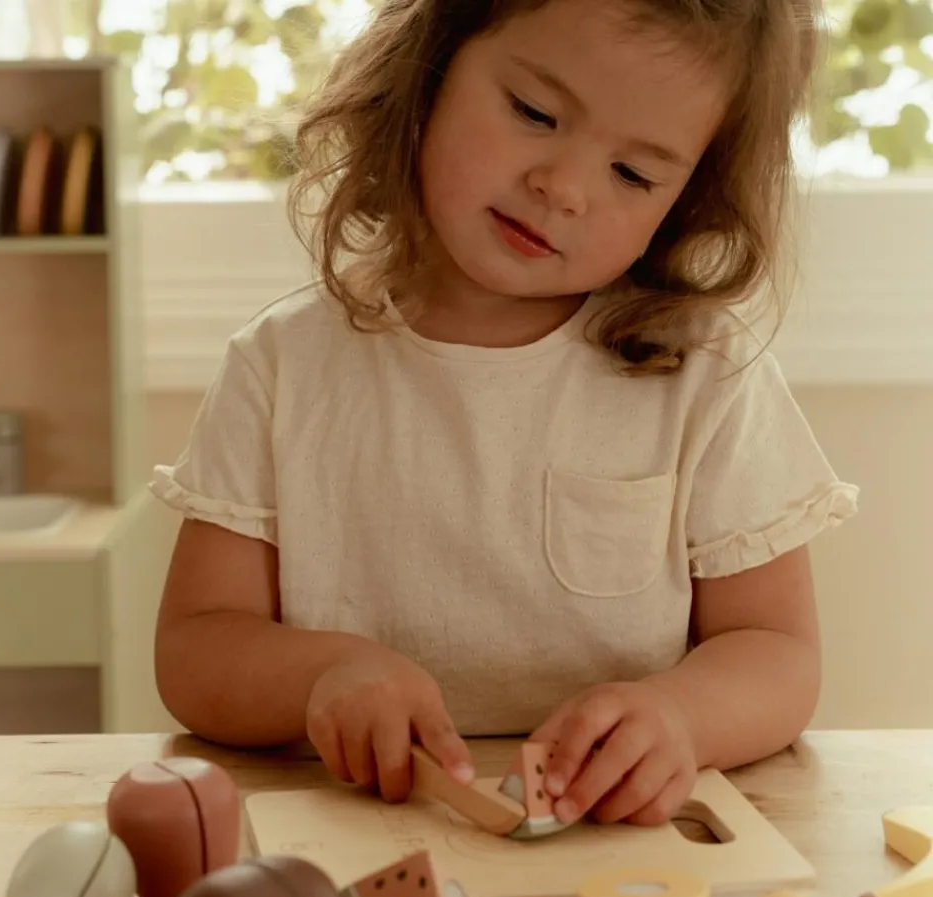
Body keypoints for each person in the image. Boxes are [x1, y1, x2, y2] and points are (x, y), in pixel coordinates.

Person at [150, 0, 859, 829]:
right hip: (345, 832)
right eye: (534, 113)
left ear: (688, 200)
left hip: (619, 846)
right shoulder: (281, 368)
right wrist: (323, 675)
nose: (561, 188)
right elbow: (196, 648)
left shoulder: (707, 376)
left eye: (633, 175)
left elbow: (778, 655)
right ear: (431, 69)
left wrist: (681, 717)